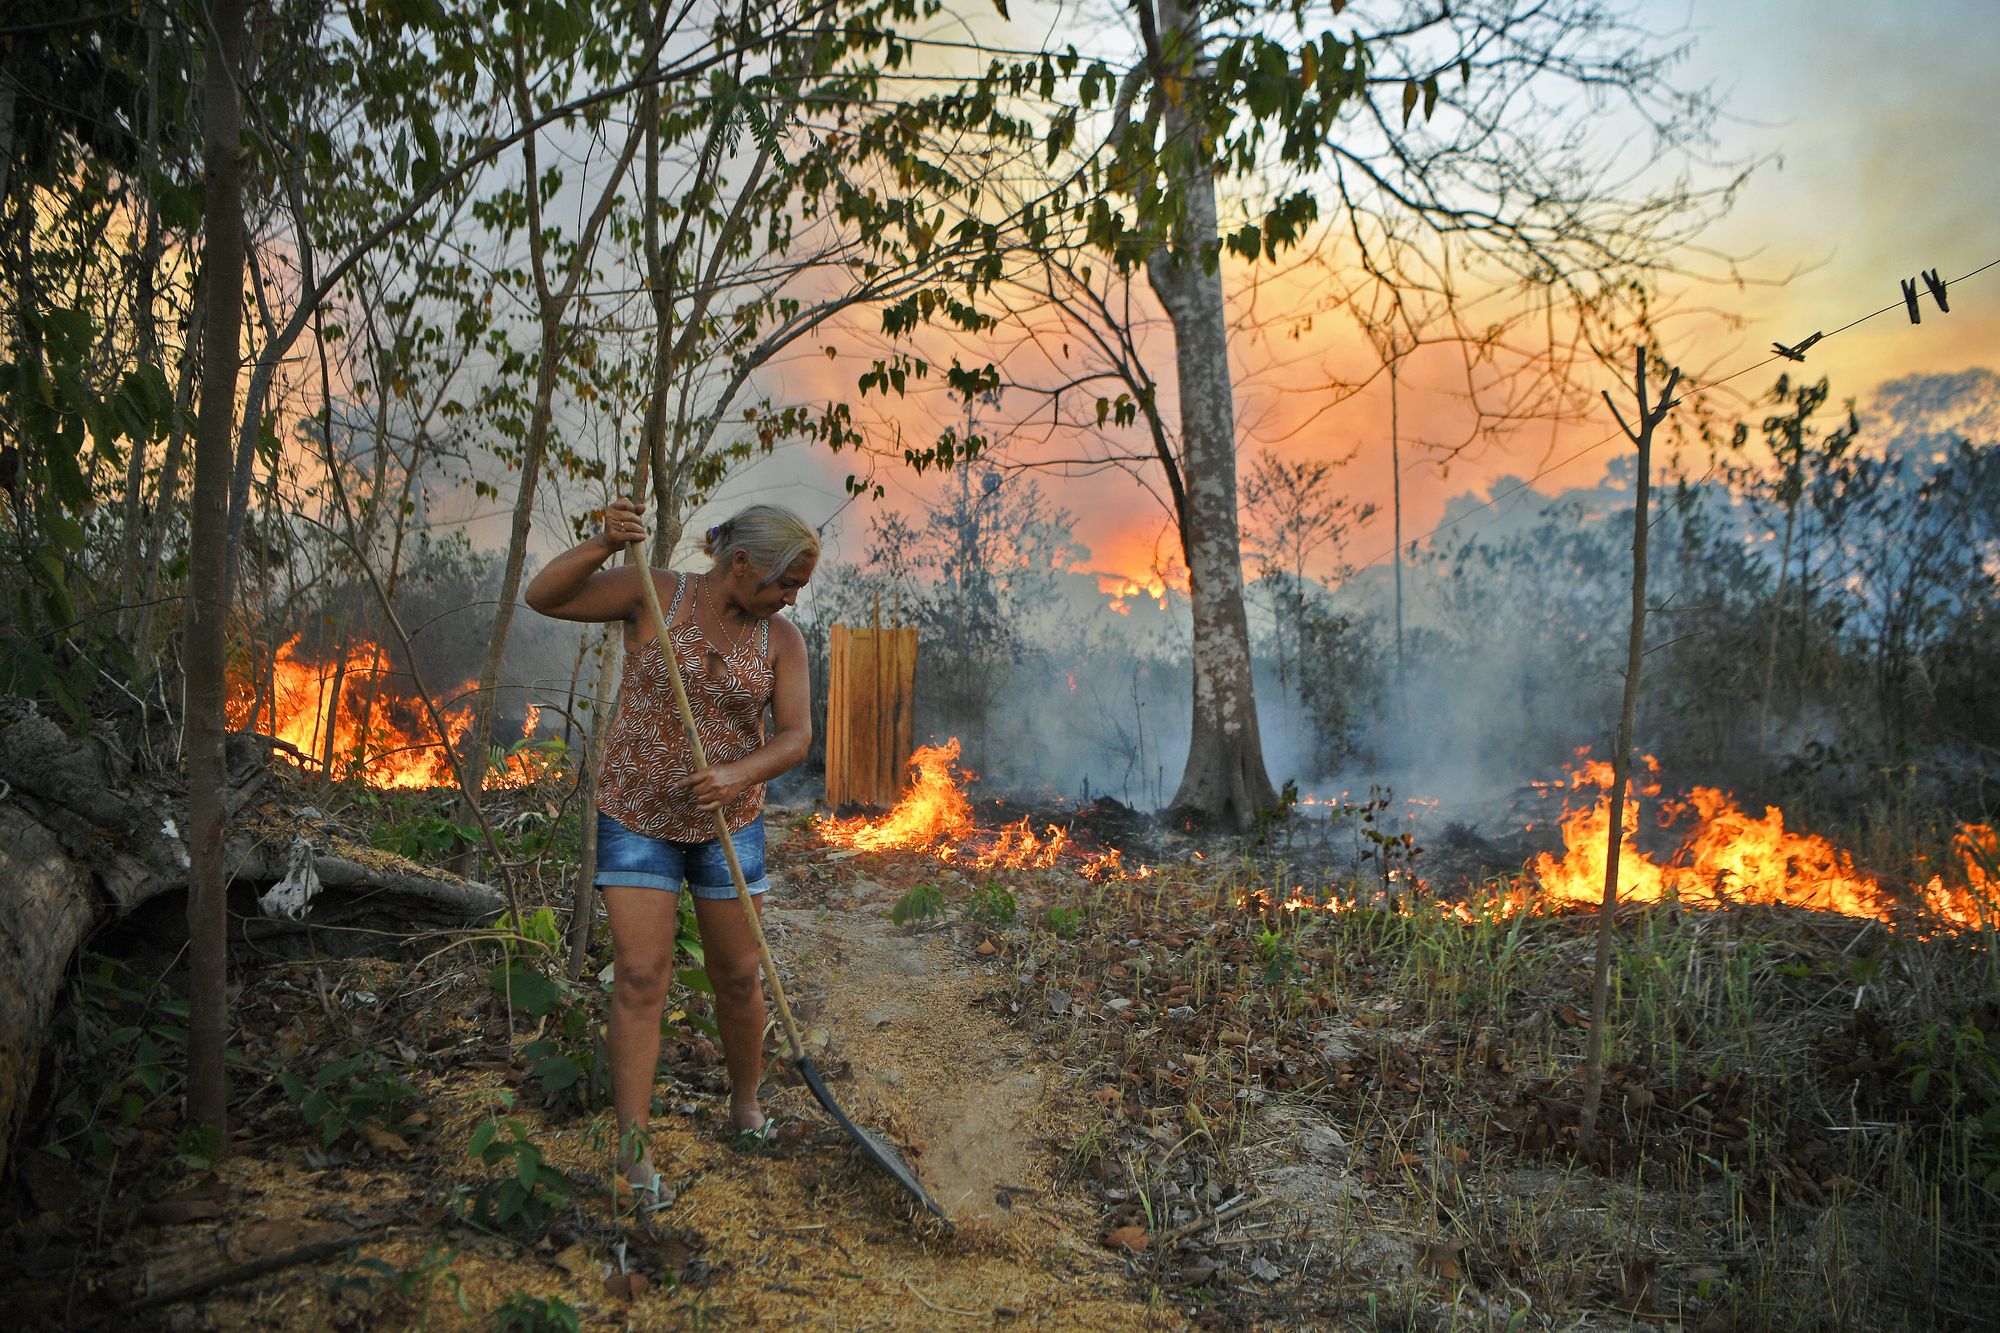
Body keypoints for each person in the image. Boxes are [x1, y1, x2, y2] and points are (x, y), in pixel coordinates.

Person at [525, 497, 816, 1208]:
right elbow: (545, 596)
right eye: (784, 581)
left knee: (738, 975)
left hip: (728, 822)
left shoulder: (782, 640)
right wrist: (601, 543)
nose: (790, 597)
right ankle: (633, 1152)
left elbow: (796, 735)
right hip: (638, 813)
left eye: (799, 588)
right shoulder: (654, 593)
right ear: (740, 562)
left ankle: (745, 1103)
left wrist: (737, 773)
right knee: (640, 975)